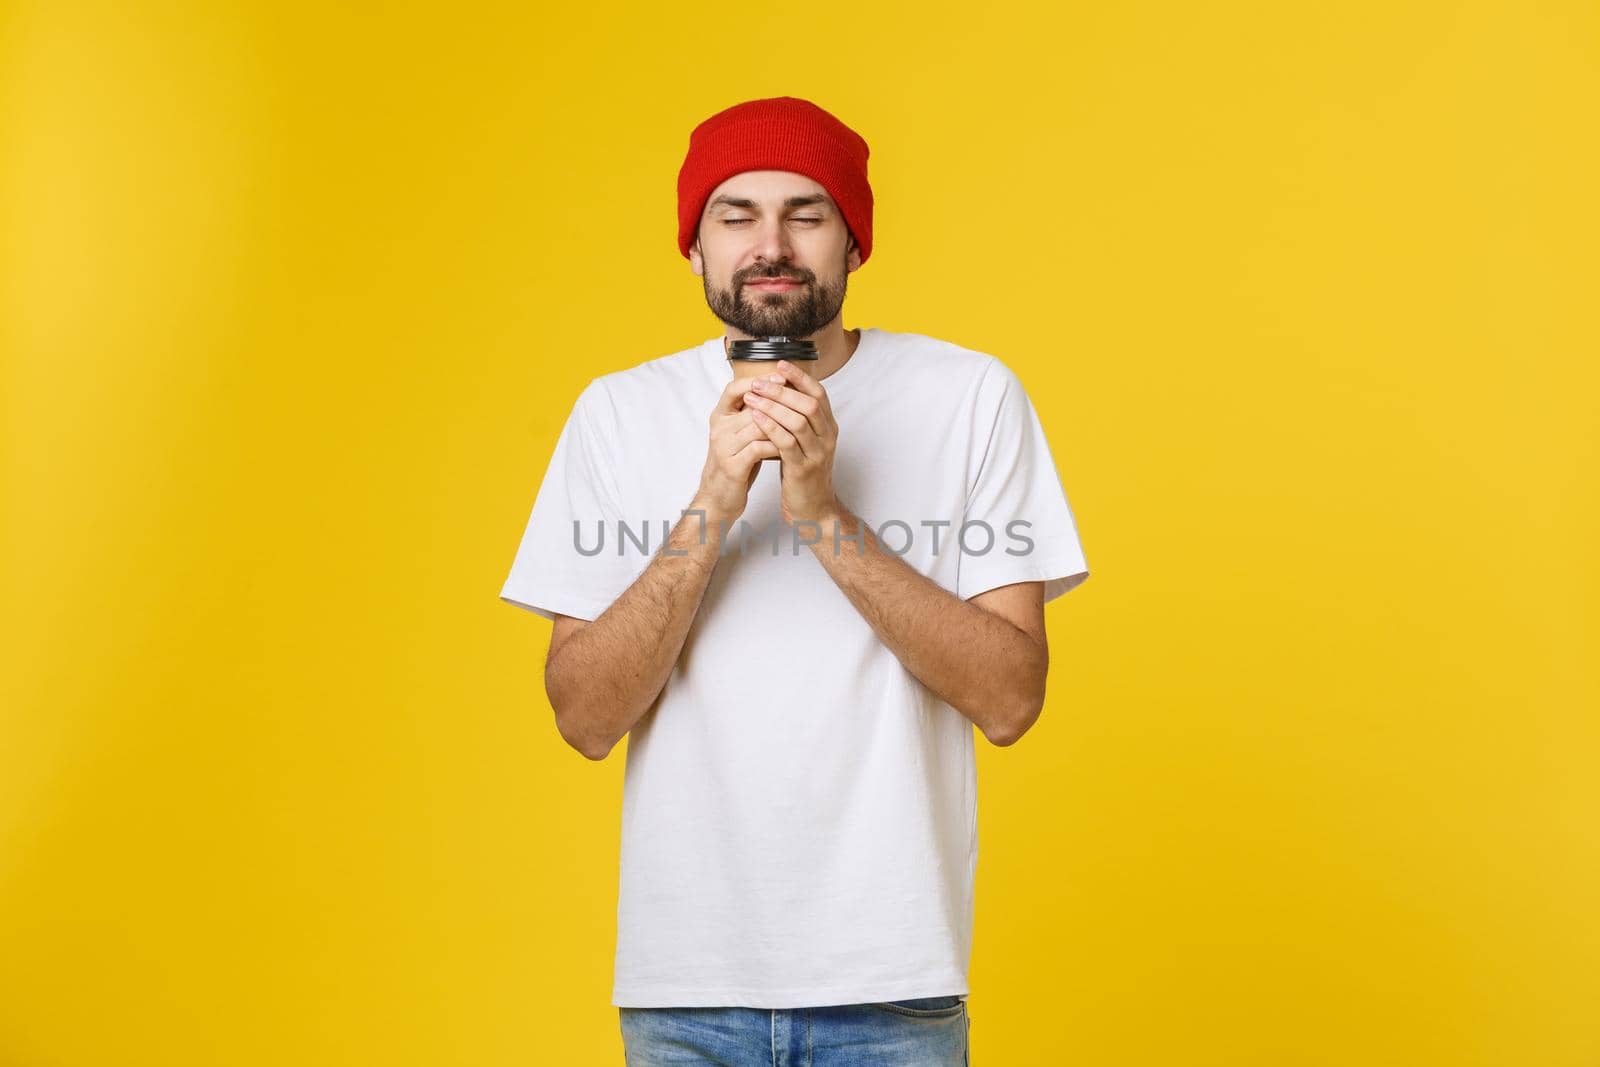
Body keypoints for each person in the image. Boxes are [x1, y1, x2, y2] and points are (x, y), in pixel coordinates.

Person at [499, 95, 1091, 1065]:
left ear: (853, 241)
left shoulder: (970, 397)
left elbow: (1011, 696)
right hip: (685, 991)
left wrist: (822, 514)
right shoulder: (617, 414)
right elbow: (584, 716)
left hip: (892, 986)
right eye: (735, 215)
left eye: (804, 213)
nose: (769, 243)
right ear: (693, 245)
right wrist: (712, 503)